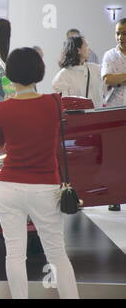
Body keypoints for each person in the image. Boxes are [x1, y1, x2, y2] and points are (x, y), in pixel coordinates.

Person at [0, 47, 79, 299]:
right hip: (45, 188)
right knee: (57, 253)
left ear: (9, 74)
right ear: (40, 72)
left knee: (15, 253)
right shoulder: (54, 103)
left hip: (8, 187)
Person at [101, 17, 126, 212]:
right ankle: (115, 196)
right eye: (118, 33)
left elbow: (116, 78)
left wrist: (121, 78)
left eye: (124, 33)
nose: (120, 37)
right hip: (114, 112)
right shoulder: (110, 55)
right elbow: (108, 78)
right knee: (114, 156)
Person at [52, 36, 104, 108]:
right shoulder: (62, 76)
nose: (89, 49)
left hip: (99, 115)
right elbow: (64, 104)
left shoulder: (96, 69)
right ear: (78, 50)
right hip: (78, 117)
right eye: (86, 46)